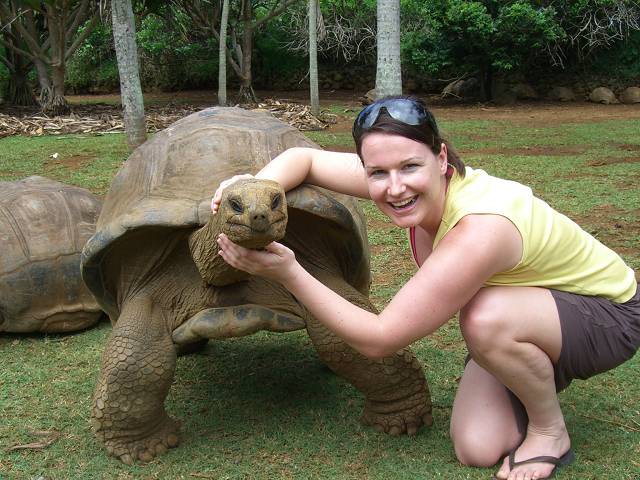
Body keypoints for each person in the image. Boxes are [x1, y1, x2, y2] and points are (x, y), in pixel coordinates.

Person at [211, 96, 640, 480]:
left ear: (441, 157)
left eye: (410, 167)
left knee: (485, 318)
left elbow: (381, 339)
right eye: (378, 172)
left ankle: (549, 430)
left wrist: (290, 273)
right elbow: (302, 159)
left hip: (606, 316)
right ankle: (522, 358)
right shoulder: (401, 181)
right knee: (476, 447)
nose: (395, 187)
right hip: (533, 313)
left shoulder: (481, 227)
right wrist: (253, 189)